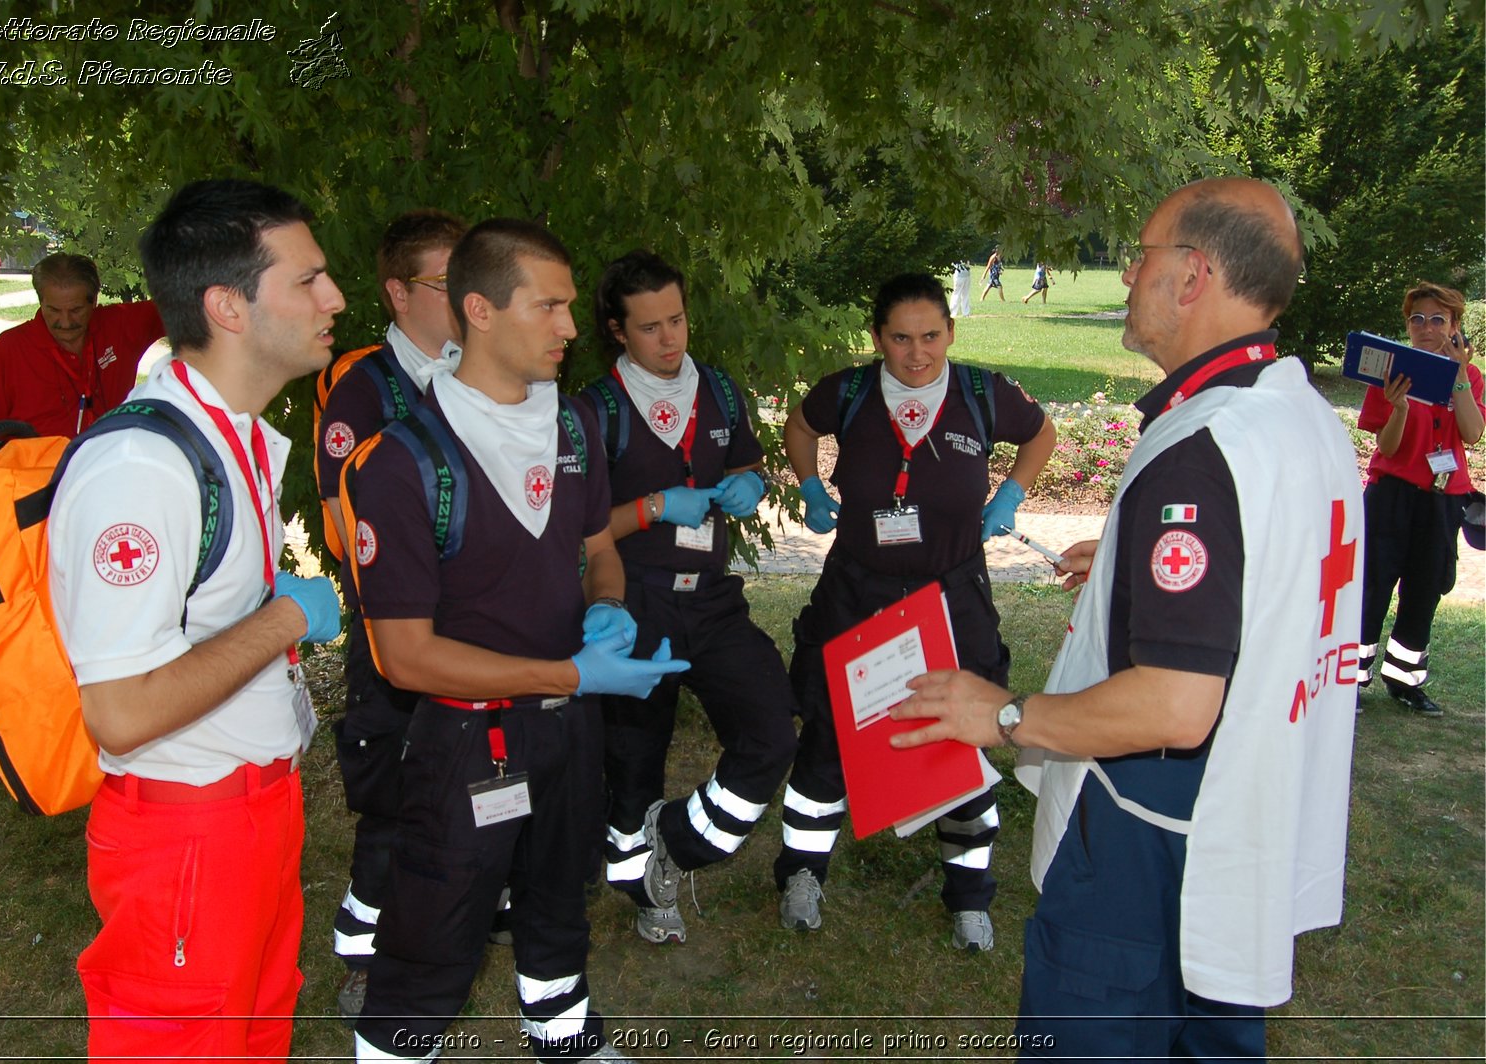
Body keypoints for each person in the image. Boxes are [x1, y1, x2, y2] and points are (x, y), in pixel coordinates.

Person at [892, 177, 1363, 1059]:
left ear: (1192, 276)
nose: (1123, 279)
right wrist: (1129, 568)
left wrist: (999, 714)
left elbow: (1178, 705)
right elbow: (1274, 569)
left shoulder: (1202, 452)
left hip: (1154, 842)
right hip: (1245, 832)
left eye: (1138, 256)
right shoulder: (1300, 414)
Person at [347, 219, 688, 1063]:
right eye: (552, 307)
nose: (572, 328)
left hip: (568, 724)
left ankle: (562, 1033)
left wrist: (605, 608)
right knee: (436, 925)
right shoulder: (403, 460)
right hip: (468, 738)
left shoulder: (573, 425)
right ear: (481, 310)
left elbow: (596, 548)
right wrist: (571, 668)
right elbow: (404, 656)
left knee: (556, 896)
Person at [46, 179, 346, 1059]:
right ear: (228, 306)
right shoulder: (142, 465)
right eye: (308, 280)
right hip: (186, 836)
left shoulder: (236, 435)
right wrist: (284, 617)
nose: (334, 299)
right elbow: (123, 712)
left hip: (251, 817)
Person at [778, 272, 1056, 949]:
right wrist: (812, 486)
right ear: (878, 339)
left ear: (951, 333)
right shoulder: (847, 391)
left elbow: (1042, 435)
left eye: (931, 335)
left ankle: (968, 897)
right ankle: (801, 875)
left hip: (950, 595)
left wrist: (1011, 495)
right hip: (858, 591)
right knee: (828, 737)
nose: (917, 353)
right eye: (900, 338)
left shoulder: (983, 394)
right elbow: (798, 426)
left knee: (963, 738)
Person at [581, 250, 798, 946]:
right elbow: (575, 534)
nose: (670, 338)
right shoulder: (593, 412)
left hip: (710, 599)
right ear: (618, 331)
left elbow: (747, 461)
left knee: (771, 727)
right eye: (649, 328)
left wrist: (752, 485)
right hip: (633, 601)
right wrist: (650, 508)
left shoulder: (722, 391)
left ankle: (676, 843)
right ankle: (641, 888)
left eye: (676, 319)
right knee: (633, 762)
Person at [313, 208, 468, 1019]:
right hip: (396, 626)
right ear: (399, 294)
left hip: (480, 624)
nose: (470, 294)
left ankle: (469, 914)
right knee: (397, 786)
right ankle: (363, 952)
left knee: (476, 772)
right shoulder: (361, 383)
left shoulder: (485, 367)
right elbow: (346, 526)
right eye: (449, 282)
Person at [1356, 281, 1486, 716]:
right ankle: (1352, 681)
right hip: (1391, 494)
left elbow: (1471, 433)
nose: (1425, 327)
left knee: (1425, 589)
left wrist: (1458, 381)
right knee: (1372, 585)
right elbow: (1388, 448)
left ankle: (1405, 682)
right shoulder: (1389, 372)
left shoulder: (1468, 377)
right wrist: (1400, 409)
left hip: (1442, 497)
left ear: (1454, 327)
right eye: (1416, 319)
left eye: (1436, 319)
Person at [0, 252, 165, 437]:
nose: (65, 322)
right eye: (54, 310)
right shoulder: (9, 348)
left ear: (94, 301)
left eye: (76, 310)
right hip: (38, 468)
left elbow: (189, 306)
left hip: (108, 463)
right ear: (41, 302)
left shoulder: (120, 324)